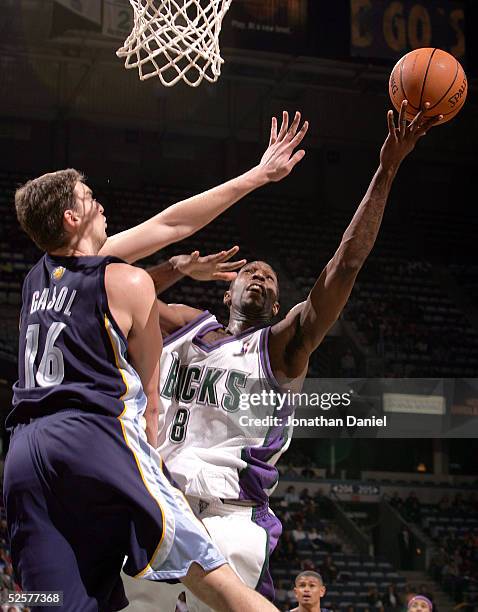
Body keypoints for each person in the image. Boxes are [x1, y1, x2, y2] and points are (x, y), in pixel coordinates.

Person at [126, 101, 441, 610]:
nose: (260, 275)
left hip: (230, 519)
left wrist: (387, 167)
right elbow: (121, 290)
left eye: (270, 278)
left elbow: (346, 263)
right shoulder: (186, 325)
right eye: (251, 270)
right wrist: (178, 265)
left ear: (275, 305)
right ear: (225, 292)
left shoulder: (280, 347)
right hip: (160, 500)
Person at [3, 169, 287, 611]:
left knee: (54, 601)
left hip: (24, 457)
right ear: (71, 217)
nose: (100, 204)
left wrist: (175, 267)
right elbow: (173, 225)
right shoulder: (126, 281)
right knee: (226, 592)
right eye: (89, 197)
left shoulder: (31, 283)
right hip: (95, 443)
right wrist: (257, 176)